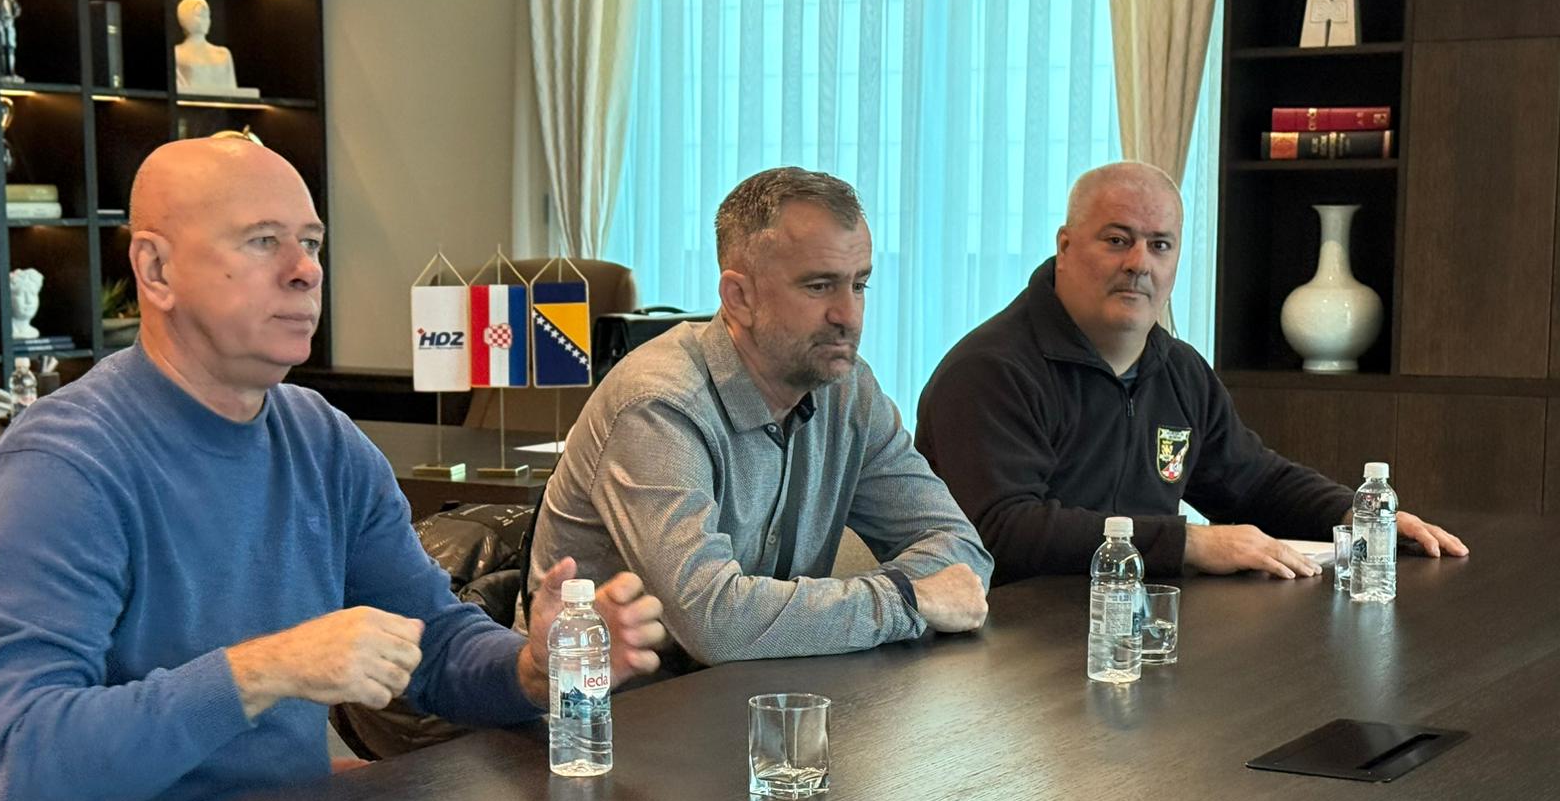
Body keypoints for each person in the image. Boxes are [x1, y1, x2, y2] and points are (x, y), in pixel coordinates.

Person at [0, 138, 666, 801]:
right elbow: (23, 764)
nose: (305, 271)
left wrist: (532, 669)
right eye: (263, 241)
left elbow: (433, 643)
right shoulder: (61, 467)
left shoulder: (321, 439)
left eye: (311, 242)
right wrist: (267, 668)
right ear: (157, 269)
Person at [529, 166, 992, 670]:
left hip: (763, 690)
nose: (849, 315)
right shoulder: (659, 404)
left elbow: (960, 550)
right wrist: (904, 599)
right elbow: (714, 623)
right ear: (739, 298)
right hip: (608, 705)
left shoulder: (848, 389)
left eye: (859, 285)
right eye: (819, 286)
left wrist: (820, 615)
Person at [916, 160, 1466, 583]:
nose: (1139, 263)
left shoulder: (1178, 369)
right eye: (1117, 240)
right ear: (1065, 246)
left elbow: (1252, 482)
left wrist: (1360, 516)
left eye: (1160, 245)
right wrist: (1190, 544)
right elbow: (1002, 532)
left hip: (1135, 629)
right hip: (1009, 648)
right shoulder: (990, 371)